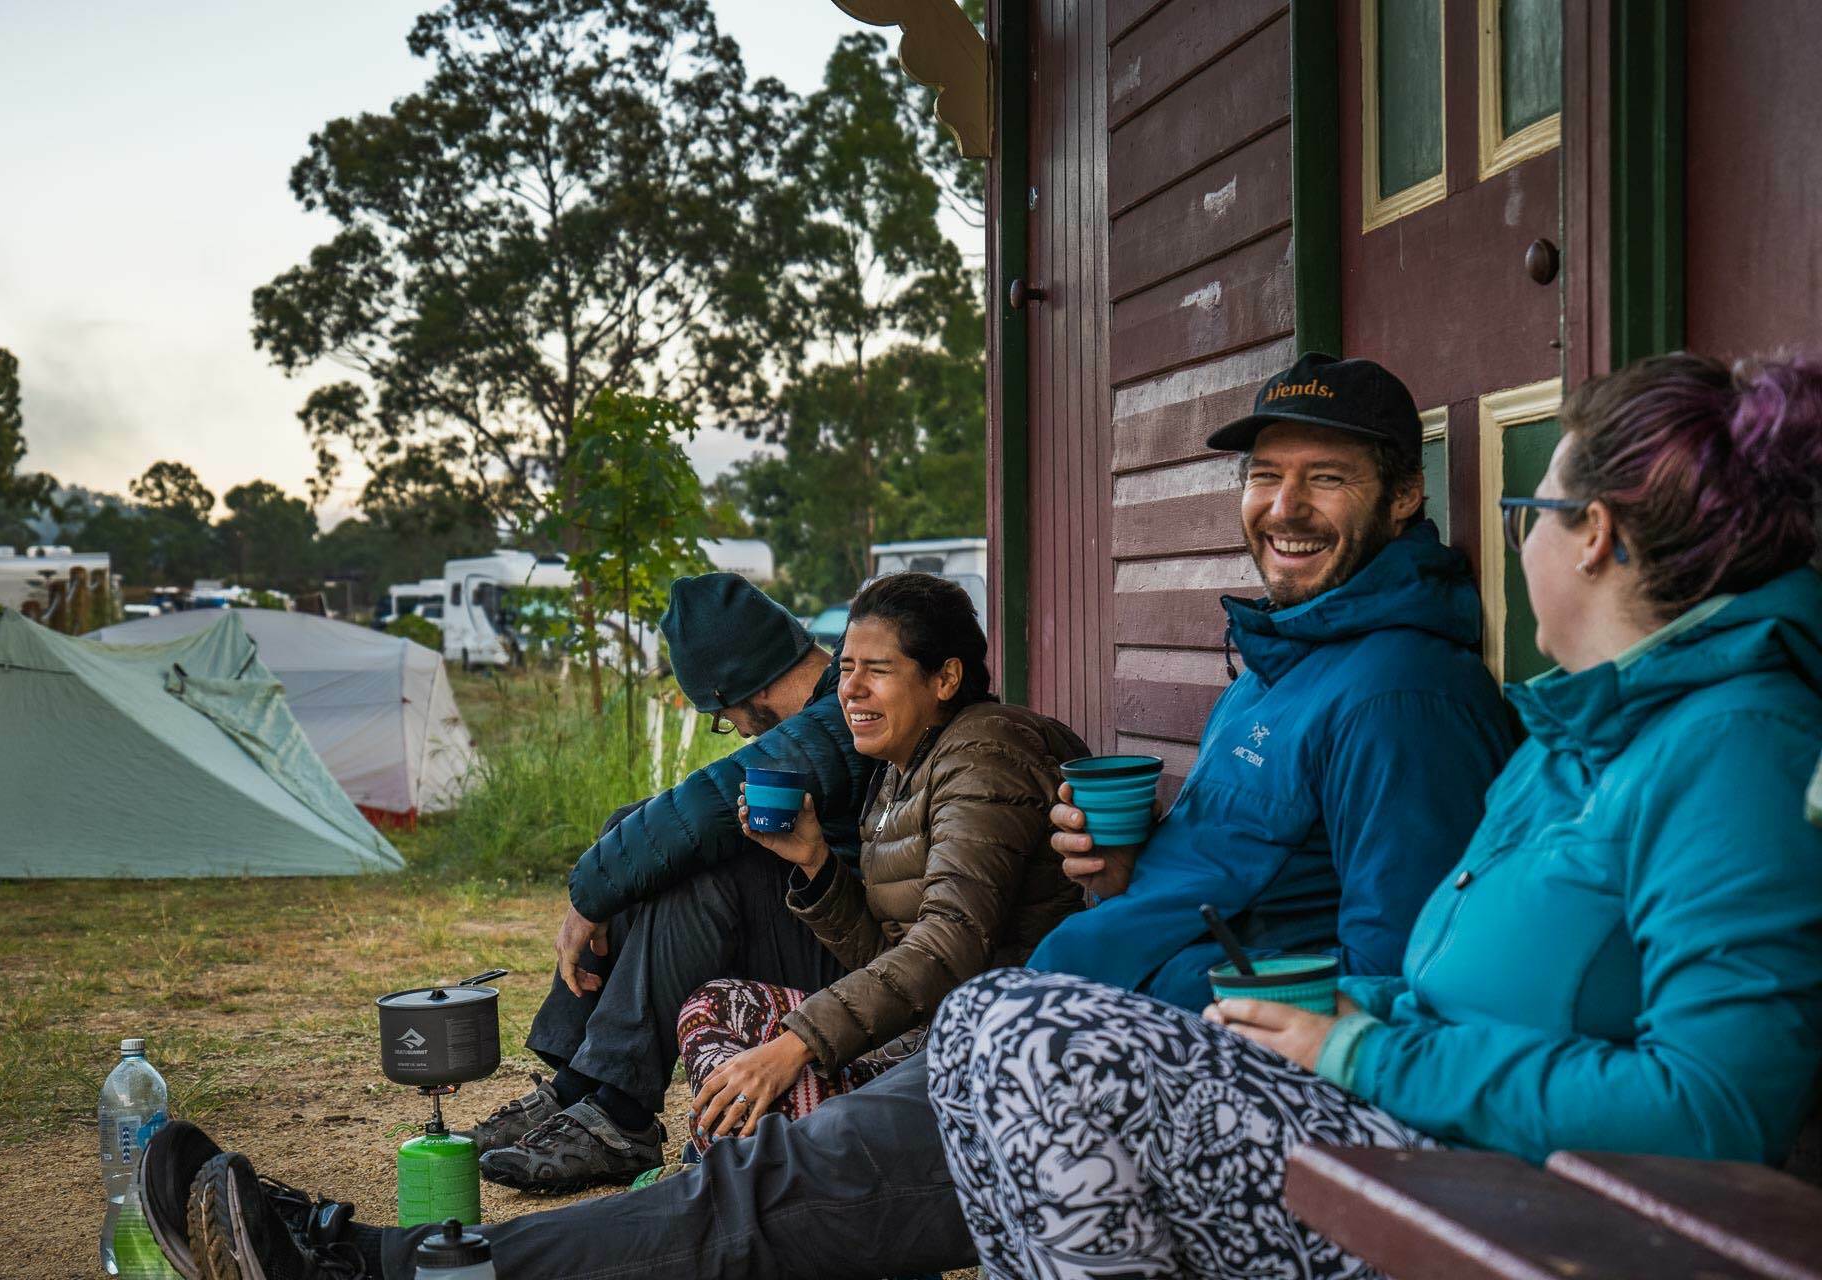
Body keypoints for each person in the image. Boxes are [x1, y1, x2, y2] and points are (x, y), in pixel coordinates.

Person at [135, 352, 1518, 1280]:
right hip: (1057, 1030)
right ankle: (410, 1237)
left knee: (760, 1202)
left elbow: (1399, 994)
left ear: (1401, 496)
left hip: (1121, 1077)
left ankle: (375, 1264)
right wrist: (1121, 878)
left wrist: (1134, 1000)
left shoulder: (1397, 696)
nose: (1282, 508)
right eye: (1264, 475)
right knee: (764, 1193)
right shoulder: (1287, 670)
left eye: (1325, 479)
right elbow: (1252, 892)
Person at [927, 351, 1822, 1279]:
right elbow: (1437, 992)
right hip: (1420, 1142)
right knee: (978, 1022)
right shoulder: (1577, 736)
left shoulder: (1741, 747)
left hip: (1504, 1201)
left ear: (1590, 535)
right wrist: (1356, 1012)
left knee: (1028, 1040)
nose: (1513, 546)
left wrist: (1368, 1050)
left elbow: (1717, 1111)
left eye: (1526, 516)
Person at [470, 571, 876, 1192]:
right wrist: (610, 869)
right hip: (833, 923)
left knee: (692, 865)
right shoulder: (833, 705)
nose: (735, 728)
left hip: (862, 956)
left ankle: (620, 1116)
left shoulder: (838, 716)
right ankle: (577, 1087)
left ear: (744, 684)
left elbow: (711, 804)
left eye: (722, 714)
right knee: (629, 827)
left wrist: (589, 894)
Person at [676, 572, 1086, 1151]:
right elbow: (892, 956)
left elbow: (950, 947)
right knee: (713, 1006)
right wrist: (816, 862)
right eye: (845, 668)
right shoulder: (900, 768)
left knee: (760, 1098)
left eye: (879, 670)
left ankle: (762, 1177)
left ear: (945, 677)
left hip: (979, 1055)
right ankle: (758, 1163)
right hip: (913, 1034)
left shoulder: (987, 757)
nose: (852, 689)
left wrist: (796, 1044)